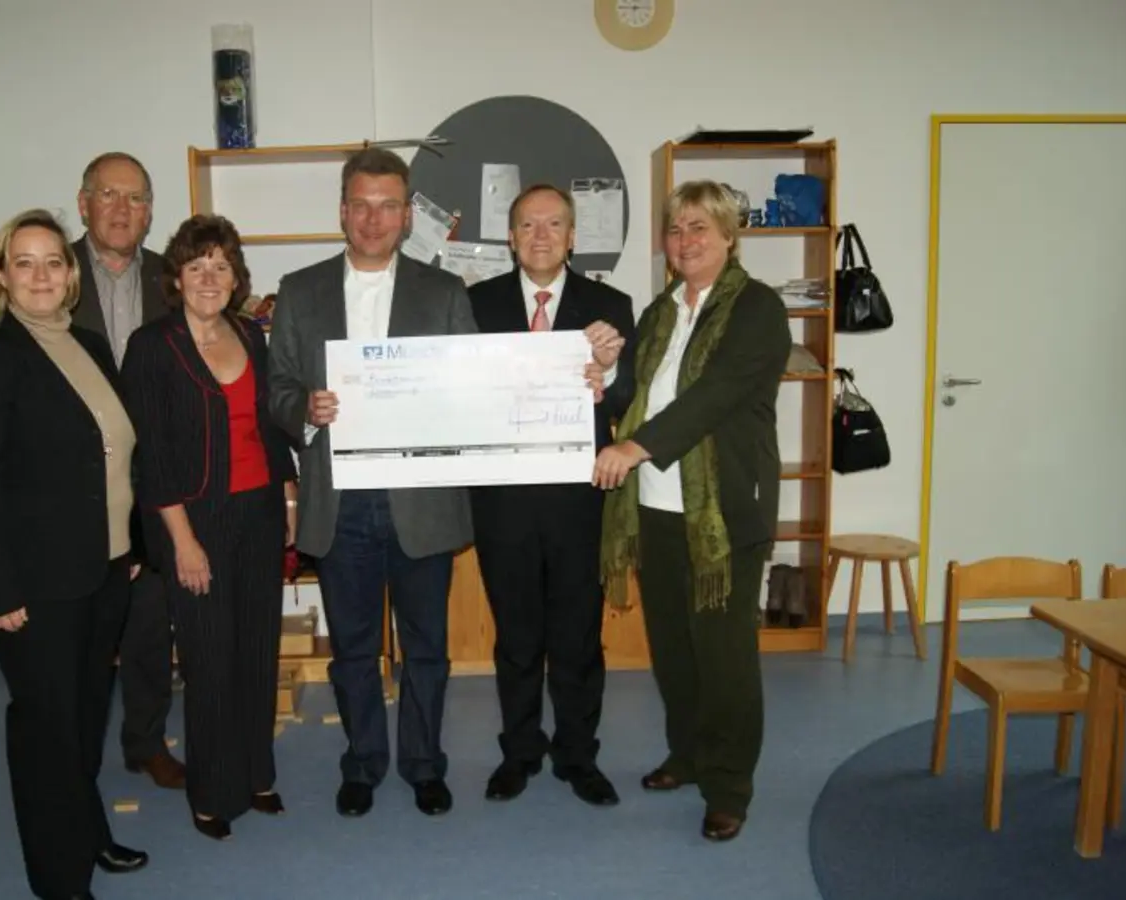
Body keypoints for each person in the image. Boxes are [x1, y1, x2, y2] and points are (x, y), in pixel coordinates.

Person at [0, 209, 148, 899]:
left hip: (105, 570)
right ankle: (59, 880)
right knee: (45, 732)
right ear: (1, 275)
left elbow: (116, 459)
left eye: (53, 262)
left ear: (72, 276)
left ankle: (87, 834)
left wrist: (134, 545)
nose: (40, 275)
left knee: (86, 721)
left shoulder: (87, 346)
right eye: (23, 262)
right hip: (34, 585)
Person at [266, 147, 477, 818]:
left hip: (421, 502)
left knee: (427, 649)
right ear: (342, 211)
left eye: (389, 205)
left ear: (408, 214)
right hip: (341, 500)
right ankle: (361, 763)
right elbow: (277, 390)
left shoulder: (444, 293)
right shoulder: (299, 290)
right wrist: (307, 408)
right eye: (361, 204)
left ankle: (423, 765)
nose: (374, 218)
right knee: (353, 649)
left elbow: (467, 395)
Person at [591, 180, 791, 843]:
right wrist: (600, 375)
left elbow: (718, 393)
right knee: (674, 650)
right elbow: (638, 391)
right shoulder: (659, 312)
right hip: (654, 505)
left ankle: (730, 783)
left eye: (701, 227)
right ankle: (687, 753)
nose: (686, 240)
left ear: (731, 237)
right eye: (676, 229)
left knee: (725, 655)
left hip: (725, 511)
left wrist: (636, 444)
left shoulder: (758, 309)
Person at [120, 215, 297, 841]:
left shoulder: (250, 334)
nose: (209, 278)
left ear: (237, 277)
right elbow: (154, 454)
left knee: (256, 649)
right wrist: (183, 542)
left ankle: (256, 775)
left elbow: (271, 426)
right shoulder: (152, 345)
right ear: (176, 276)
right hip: (194, 518)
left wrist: (289, 492)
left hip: (258, 511)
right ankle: (211, 791)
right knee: (209, 658)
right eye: (196, 266)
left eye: (221, 266)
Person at [466, 184, 634, 807]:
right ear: (510, 238)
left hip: (577, 500)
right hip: (501, 501)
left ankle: (577, 756)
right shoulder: (474, 304)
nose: (540, 235)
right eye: (527, 225)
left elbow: (627, 400)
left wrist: (607, 375)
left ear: (572, 237)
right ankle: (520, 752)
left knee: (577, 637)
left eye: (554, 224)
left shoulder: (609, 304)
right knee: (515, 638)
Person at [70, 151, 183, 790]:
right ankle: (73, 749)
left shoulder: (173, 278)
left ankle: (146, 742)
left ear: (150, 211)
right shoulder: (49, 270)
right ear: (83, 202)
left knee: (147, 626)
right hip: (73, 489)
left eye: (136, 197)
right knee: (79, 633)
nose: (121, 209)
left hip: (150, 487)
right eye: (107, 194)